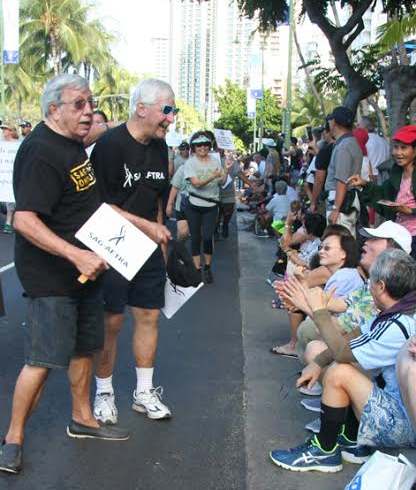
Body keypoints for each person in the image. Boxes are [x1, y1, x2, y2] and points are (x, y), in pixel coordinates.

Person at [0, 74, 133, 475]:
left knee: (83, 348)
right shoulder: (41, 151)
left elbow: (89, 206)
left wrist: (144, 228)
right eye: (79, 104)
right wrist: (76, 256)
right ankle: (12, 440)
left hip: (86, 271)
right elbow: (24, 220)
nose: (88, 111)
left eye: (90, 103)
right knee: (42, 359)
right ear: (53, 109)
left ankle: (83, 419)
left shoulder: (72, 145)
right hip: (53, 275)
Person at [270, 249, 416, 473]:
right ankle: (350, 438)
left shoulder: (397, 324)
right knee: (346, 364)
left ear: (381, 287)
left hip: (404, 426)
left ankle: (324, 450)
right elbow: (352, 338)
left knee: (340, 371)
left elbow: (341, 352)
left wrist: (318, 310)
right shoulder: (399, 312)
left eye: (372, 281)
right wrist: (318, 362)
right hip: (400, 408)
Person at [90, 79, 174, 425]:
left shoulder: (160, 147)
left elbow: (157, 199)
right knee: (111, 321)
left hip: (148, 246)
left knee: (149, 316)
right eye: (166, 110)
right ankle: (104, 393)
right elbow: (97, 205)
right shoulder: (109, 145)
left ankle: (144, 392)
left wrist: (160, 242)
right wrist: (149, 227)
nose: (171, 118)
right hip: (110, 242)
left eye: (173, 111)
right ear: (142, 108)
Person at [349, 125, 416, 258]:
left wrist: (410, 211)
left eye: (404, 148)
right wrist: (364, 184)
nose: (398, 153)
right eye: (396, 147)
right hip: (399, 235)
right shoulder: (396, 172)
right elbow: (382, 196)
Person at [184, 131, 230, 283]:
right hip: (194, 204)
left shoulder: (215, 162)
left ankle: (207, 267)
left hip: (211, 205)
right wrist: (212, 176)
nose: (202, 147)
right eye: (198, 145)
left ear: (209, 147)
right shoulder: (190, 163)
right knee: (195, 237)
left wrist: (227, 169)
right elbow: (196, 183)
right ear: (194, 148)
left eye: (205, 145)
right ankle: (197, 269)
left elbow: (222, 183)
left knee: (208, 237)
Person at [325, 106, 363, 236]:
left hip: (341, 202)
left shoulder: (344, 146)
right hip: (346, 200)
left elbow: (342, 181)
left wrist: (336, 209)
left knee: (338, 243)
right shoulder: (350, 142)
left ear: (334, 122)